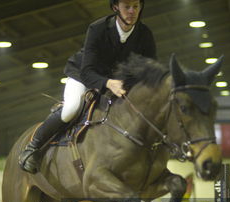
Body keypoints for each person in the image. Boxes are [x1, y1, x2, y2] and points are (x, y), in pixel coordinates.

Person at [19, 0, 156, 174]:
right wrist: (107, 83)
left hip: (118, 84)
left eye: (136, 7)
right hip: (83, 75)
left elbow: (149, 69)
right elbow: (87, 70)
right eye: (126, 7)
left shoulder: (145, 34)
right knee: (72, 109)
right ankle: (33, 147)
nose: (132, 11)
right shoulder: (97, 28)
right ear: (116, 8)